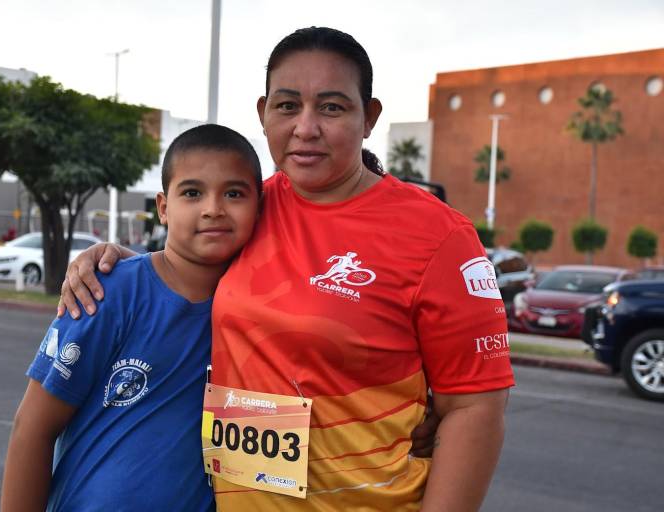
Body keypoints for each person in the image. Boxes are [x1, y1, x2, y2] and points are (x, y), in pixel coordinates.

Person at [61, 27, 513, 512]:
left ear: (370, 117)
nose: (306, 127)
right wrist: (110, 262)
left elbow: (474, 408)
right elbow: (186, 269)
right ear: (263, 113)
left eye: (332, 107)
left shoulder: (438, 236)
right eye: (287, 106)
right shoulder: (248, 207)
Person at [0, 124, 263, 512]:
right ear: (163, 207)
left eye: (234, 193)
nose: (213, 208)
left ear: (260, 205)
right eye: (192, 192)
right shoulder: (108, 291)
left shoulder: (261, 310)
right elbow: (33, 429)